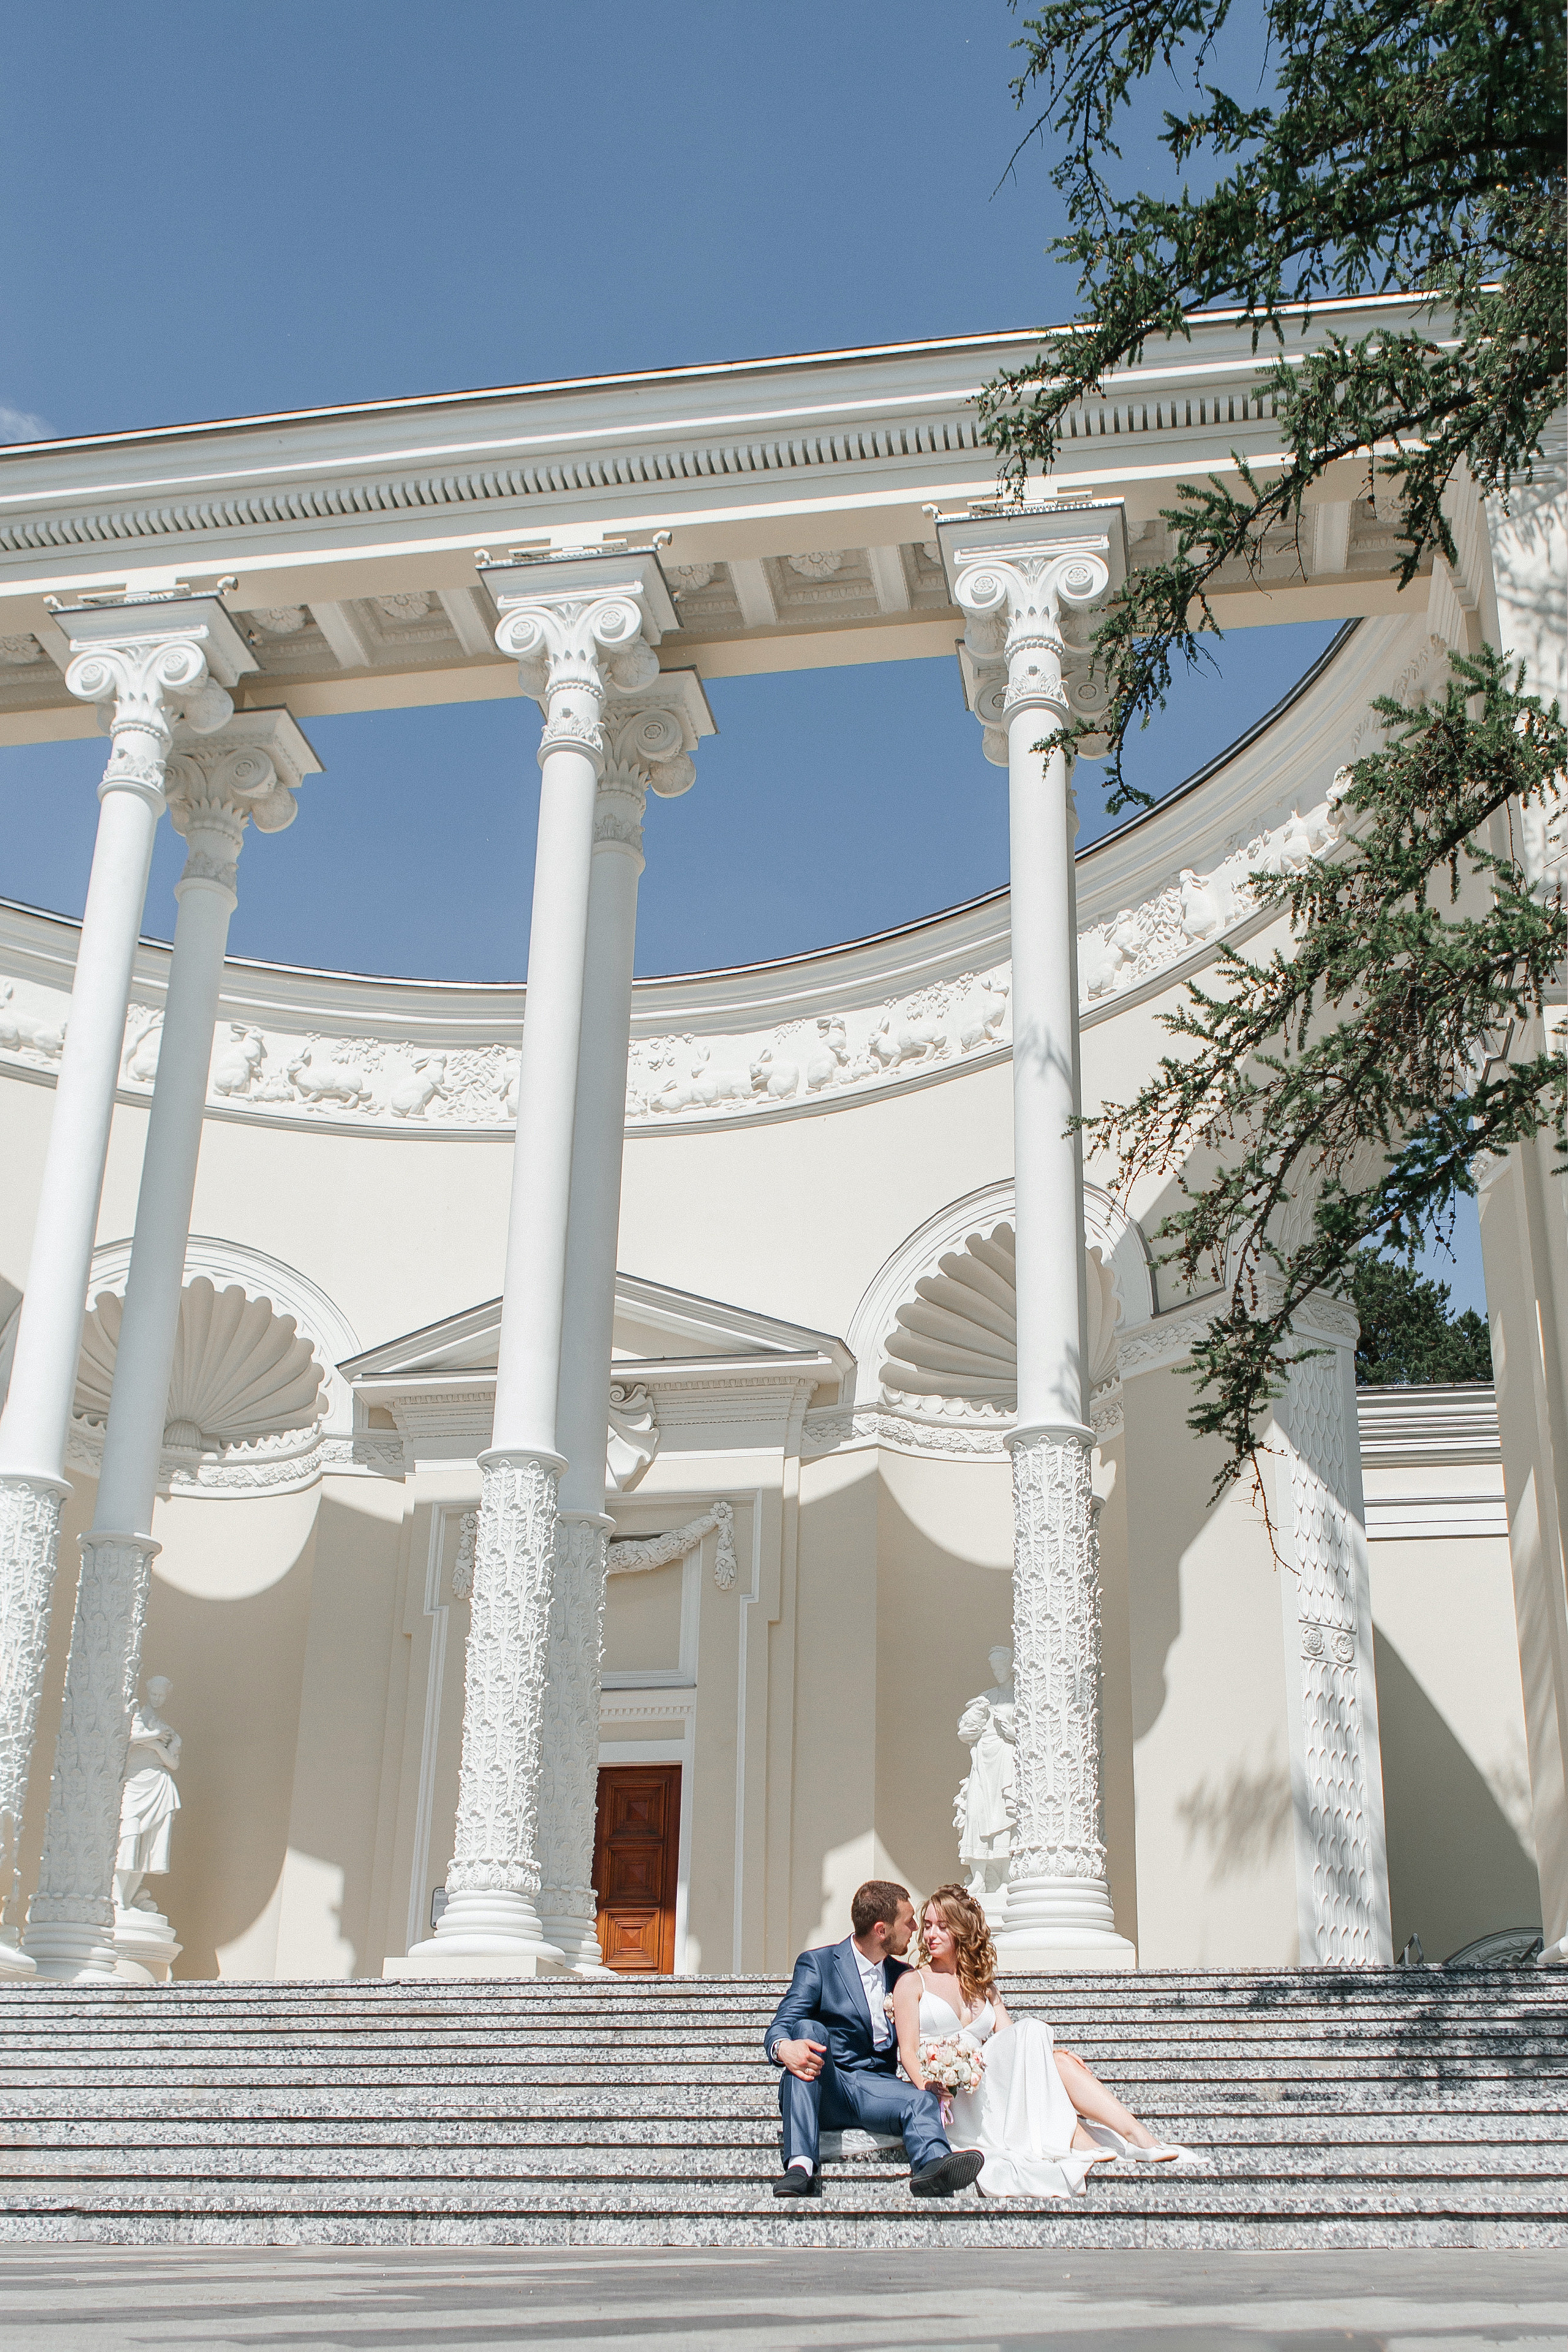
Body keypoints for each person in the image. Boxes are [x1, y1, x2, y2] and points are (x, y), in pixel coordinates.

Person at [892, 1882, 1194, 2198]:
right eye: (927, 1926)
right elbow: (909, 2052)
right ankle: (1084, 2139)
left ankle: (1137, 2135)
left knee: (1048, 2048)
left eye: (942, 1926)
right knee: (1036, 2036)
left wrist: (1052, 2056)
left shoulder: (984, 1987)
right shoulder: (913, 1983)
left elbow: (1011, 2039)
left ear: (962, 1930)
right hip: (953, 2102)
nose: (931, 1935)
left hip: (989, 2087)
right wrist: (929, 2086)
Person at [763, 1879, 986, 2200]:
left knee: (921, 2098)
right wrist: (784, 2048)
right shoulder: (820, 1965)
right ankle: (800, 2166)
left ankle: (932, 2168)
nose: (915, 1928)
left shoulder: (903, 1975)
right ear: (882, 1930)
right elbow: (780, 2025)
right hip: (829, 2085)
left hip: (877, 2089)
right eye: (908, 1921)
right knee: (808, 2031)